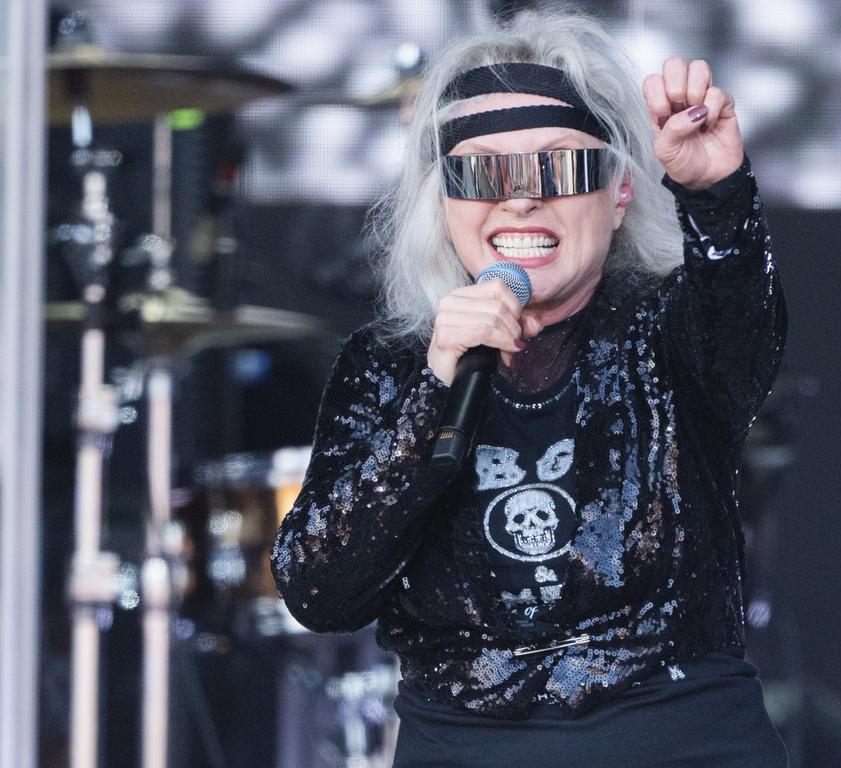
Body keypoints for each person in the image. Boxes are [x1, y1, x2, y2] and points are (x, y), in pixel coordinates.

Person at [271, 8, 788, 767]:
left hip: (682, 743)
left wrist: (718, 196)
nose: (520, 200)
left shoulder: (671, 331)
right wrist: (432, 396)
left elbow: (743, 329)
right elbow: (319, 591)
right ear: (443, 199)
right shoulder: (388, 365)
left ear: (617, 193)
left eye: (560, 166)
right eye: (482, 171)